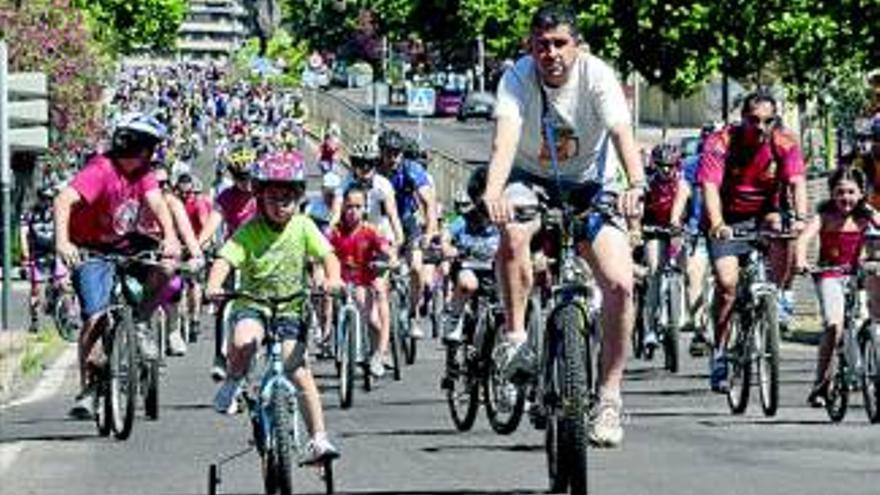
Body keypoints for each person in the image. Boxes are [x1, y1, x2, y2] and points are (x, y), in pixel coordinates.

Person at [479, 5, 645, 448]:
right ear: (530, 47)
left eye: (559, 44)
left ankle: (609, 397)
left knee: (621, 285)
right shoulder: (516, 77)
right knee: (514, 231)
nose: (550, 53)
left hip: (591, 185)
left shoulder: (598, 76)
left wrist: (637, 184)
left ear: (577, 46)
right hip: (529, 179)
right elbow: (505, 140)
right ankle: (515, 339)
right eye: (541, 45)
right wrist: (494, 192)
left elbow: (622, 134)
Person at [205, 150, 341, 464]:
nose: (280, 206)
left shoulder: (304, 226)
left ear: (298, 198)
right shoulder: (249, 230)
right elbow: (225, 259)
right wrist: (214, 286)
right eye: (273, 198)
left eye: (287, 199)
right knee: (244, 341)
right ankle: (233, 379)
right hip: (254, 304)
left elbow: (328, 255)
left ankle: (318, 439)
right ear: (260, 197)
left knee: (299, 372)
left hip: (291, 306)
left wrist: (332, 278)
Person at [55, 112, 182, 419]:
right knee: (95, 317)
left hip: (126, 242)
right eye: (150, 146)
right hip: (91, 248)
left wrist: (171, 238)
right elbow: (64, 200)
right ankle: (87, 389)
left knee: (166, 269)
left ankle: (139, 321)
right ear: (136, 146)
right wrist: (63, 242)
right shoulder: (100, 170)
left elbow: (156, 203)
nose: (153, 153)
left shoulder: (143, 173)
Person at [698, 88, 808, 392]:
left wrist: (800, 218)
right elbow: (708, 187)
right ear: (742, 117)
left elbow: (797, 183)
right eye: (754, 120)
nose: (760, 127)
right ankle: (720, 351)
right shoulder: (720, 142)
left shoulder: (784, 143)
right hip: (726, 218)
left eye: (767, 121)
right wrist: (718, 223)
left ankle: (780, 295)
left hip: (764, 213)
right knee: (728, 283)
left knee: (782, 228)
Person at [795, 166, 880, 407]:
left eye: (852, 192)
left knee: (873, 318)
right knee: (834, 325)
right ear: (831, 194)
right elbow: (804, 239)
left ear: (862, 193)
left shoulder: (866, 215)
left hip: (860, 275)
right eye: (840, 192)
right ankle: (821, 383)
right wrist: (801, 261)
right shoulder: (824, 217)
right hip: (829, 274)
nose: (846, 198)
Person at [327, 186, 396, 377]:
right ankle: (333, 340)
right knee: (326, 300)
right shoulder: (335, 231)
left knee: (372, 318)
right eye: (349, 206)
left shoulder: (369, 231)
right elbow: (321, 251)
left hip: (362, 282)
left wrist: (390, 258)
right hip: (340, 283)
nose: (353, 211)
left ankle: (379, 352)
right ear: (343, 208)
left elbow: (384, 248)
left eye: (358, 207)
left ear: (364, 208)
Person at [378, 129, 439, 338]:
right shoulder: (374, 170)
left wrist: (430, 232)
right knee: (384, 271)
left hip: (406, 220)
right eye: (388, 153)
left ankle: (413, 315)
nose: (392, 158)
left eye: (396, 153)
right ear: (381, 153)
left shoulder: (412, 170)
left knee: (416, 268)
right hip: (382, 222)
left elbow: (429, 202)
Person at [440, 167, 501, 344]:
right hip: (467, 269)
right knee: (469, 284)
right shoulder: (464, 220)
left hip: (495, 272)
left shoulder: (503, 220)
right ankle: (455, 319)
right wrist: (448, 248)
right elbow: (446, 236)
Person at [638, 143, 684, 352]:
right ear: (654, 165)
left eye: (671, 166)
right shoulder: (648, 184)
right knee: (655, 271)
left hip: (677, 231)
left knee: (685, 271)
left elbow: (693, 211)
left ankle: (677, 314)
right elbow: (638, 213)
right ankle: (649, 329)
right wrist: (638, 229)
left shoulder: (683, 184)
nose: (666, 170)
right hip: (653, 230)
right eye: (661, 165)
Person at [21, 184, 69, 333]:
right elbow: (23, 234)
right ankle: (34, 321)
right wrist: (26, 255)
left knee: (65, 284)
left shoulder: (56, 211)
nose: (47, 202)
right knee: (36, 290)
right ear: (39, 198)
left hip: (55, 252)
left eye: (50, 199)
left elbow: (66, 228)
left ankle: (67, 316)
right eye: (44, 199)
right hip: (37, 254)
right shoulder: (29, 214)